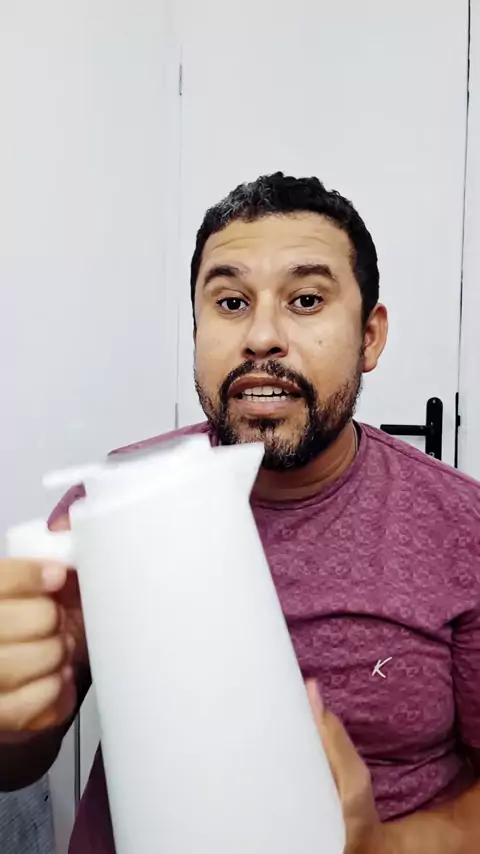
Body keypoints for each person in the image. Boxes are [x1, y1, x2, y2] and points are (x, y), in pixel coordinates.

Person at [1, 172, 480, 853]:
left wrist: (384, 846)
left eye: (306, 300)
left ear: (370, 337)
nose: (261, 336)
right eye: (230, 302)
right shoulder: (110, 509)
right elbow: (17, 765)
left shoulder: (462, 526)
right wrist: (18, 710)